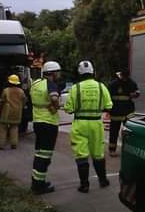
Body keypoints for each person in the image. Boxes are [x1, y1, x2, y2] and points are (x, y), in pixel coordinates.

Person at [64, 60, 113, 193]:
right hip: (96, 124)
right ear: (93, 71)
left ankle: (84, 185)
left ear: (79, 73)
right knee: (98, 153)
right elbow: (109, 106)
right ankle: (103, 180)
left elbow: (68, 109)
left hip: (80, 123)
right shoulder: (101, 86)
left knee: (81, 155)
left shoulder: (75, 88)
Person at [29, 61, 62, 194]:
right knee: (45, 156)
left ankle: (37, 181)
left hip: (38, 121)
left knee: (39, 153)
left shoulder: (36, 83)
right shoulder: (51, 84)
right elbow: (54, 98)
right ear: (52, 73)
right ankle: (38, 186)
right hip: (49, 123)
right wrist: (55, 106)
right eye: (58, 72)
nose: (59, 75)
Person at [107, 69, 139, 157]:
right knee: (114, 132)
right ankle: (112, 150)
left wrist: (135, 94)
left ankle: (129, 150)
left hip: (127, 113)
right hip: (116, 112)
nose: (125, 78)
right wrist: (108, 110)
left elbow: (137, 91)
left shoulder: (131, 83)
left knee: (129, 133)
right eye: (124, 77)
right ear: (121, 75)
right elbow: (107, 97)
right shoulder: (113, 84)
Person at [0, 74, 27, 150]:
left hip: (6, 113)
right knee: (14, 128)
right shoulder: (21, 91)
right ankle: (14, 144)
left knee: (3, 128)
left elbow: (1, 101)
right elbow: (24, 101)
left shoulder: (6, 90)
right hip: (17, 113)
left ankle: (0, 145)